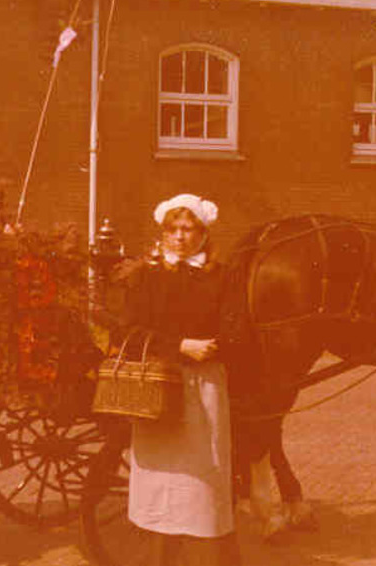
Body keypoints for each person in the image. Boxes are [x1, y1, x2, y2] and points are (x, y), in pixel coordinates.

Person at [115, 193, 241, 565]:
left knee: (203, 476)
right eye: (173, 229)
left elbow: (236, 331)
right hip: (157, 387)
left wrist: (215, 349)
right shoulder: (146, 276)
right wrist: (180, 346)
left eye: (188, 229)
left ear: (203, 234)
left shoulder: (220, 277)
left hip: (204, 388)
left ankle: (203, 557)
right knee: (161, 478)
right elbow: (127, 332)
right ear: (163, 232)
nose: (180, 237)